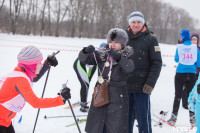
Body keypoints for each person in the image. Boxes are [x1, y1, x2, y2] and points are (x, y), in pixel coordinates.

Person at [0, 45, 71, 133]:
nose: (41, 65)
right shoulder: (20, 80)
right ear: (31, 65)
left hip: (5, 121)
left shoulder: (22, 72)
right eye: (39, 63)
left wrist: (47, 63)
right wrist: (60, 99)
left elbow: (35, 77)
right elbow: (35, 102)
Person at [78, 28, 134, 133]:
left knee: (115, 127)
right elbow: (84, 59)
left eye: (116, 42)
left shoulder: (127, 55)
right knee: (97, 125)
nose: (113, 44)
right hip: (100, 92)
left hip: (118, 96)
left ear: (122, 44)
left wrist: (118, 57)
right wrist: (85, 51)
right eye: (111, 42)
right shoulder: (101, 54)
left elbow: (129, 68)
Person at [126, 11, 162, 133]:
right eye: (133, 22)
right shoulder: (123, 37)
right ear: (130, 23)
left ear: (143, 23)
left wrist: (150, 84)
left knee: (143, 120)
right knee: (126, 119)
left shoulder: (151, 39)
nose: (136, 25)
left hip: (142, 87)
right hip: (125, 86)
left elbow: (157, 63)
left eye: (139, 22)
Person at [167, 29, 200, 127]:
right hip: (192, 74)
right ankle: (193, 119)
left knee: (178, 95)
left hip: (180, 73)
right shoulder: (195, 48)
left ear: (182, 37)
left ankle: (173, 118)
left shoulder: (180, 47)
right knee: (191, 97)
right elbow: (198, 63)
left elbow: (176, 59)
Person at [73, 43, 106, 112]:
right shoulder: (95, 54)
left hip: (86, 65)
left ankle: (83, 101)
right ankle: (83, 105)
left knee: (86, 83)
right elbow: (83, 54)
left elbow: (93, 72)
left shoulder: (101, 58)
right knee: (85, 85)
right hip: (79, 63)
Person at [182, 33, 200, 110]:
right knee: (185, 88)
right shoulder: (187, 48)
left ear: (198, 40)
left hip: (196, 72)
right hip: (186, 71)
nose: (194, 41)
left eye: (195, 40)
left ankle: (194, 102)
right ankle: (185, 103)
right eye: (193, 39)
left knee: (194, 88)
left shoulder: (199, 49)